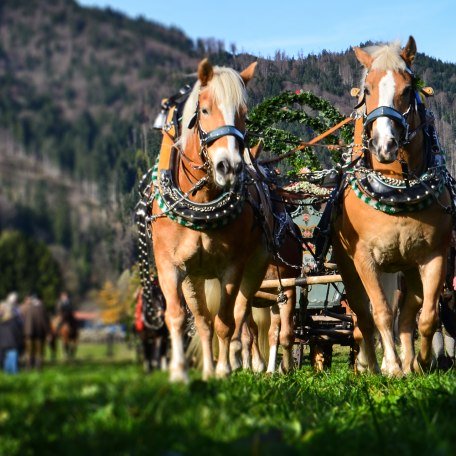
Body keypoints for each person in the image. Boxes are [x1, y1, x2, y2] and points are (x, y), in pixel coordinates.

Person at [19, 295, 50, 369]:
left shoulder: (27, 307)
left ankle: (28, 367)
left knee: (28, 351)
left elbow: (22, 319)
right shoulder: (41, 308)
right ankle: (38, 367)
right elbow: (44, 321)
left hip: (28, 333)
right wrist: (48, 332)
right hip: (39, 333)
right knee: (39, 351)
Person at [0, 292, 23, 374]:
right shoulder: (14, 321)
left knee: (6, 366)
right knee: (12, 368)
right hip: (12, 345)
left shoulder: (2, 323)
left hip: (3, 346)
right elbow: (18, 334)